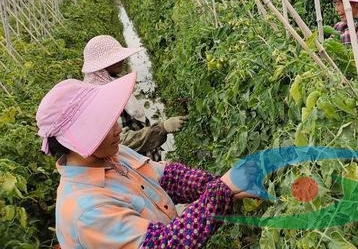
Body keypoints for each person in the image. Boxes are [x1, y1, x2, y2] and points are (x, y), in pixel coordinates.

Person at [36, 73, 252, 247]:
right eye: (104, 125)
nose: (118, 128)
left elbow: (168, 178)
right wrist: (219, 192)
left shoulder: (113, 154)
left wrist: (219, 184)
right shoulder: (87, 211)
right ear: (81, 140)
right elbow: (166, 243)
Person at [82, 35, 187, 161]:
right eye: (115, 59)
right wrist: (162, 128)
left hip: (145, 158)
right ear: (102, 65)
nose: (122, 60)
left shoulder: (110, 82)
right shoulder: (103, 99)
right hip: (135, 163)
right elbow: (123, 141)